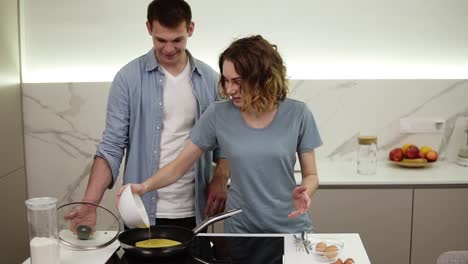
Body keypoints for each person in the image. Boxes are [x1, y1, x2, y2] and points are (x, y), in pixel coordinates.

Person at [119, 35, 322, 233]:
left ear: (262, 78)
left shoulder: (298, 114)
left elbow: (311, 175)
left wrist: (305, 191)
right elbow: (178, 166)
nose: (229, 89)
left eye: (237, 81)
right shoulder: (218, 114)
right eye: (225, 80)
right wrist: (144, 187)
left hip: (291, 227)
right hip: (241, 230)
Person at [66, 0, 228, 231]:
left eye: (177, 40)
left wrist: (221, 177)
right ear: (149, 28)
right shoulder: (128, 78)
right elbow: (111, 146)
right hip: (140, 210)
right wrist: (90, 204)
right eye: (161, 40)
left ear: (190, 29)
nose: (169, 48)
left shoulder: (210, 79)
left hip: (195, 211)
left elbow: (224, 143)